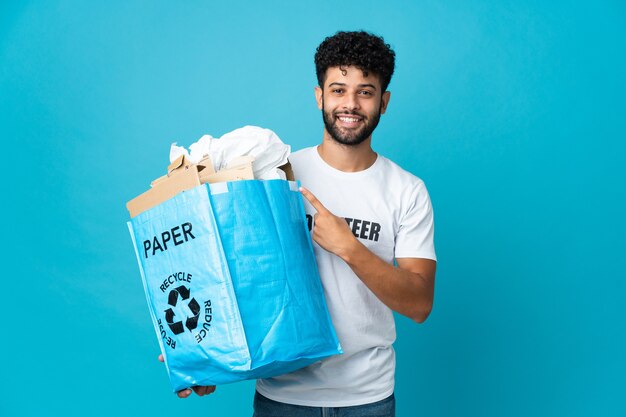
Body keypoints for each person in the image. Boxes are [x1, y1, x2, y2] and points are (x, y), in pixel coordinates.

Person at [165, 30, 437, 417]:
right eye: (339, 89)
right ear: (319, 96)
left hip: (368, 399)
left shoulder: (407, 191)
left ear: (384, 101)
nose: (351, 104)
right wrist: (206, 355)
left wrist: (348, 247)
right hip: (283, 397)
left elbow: (419, 303)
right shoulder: (276, 174)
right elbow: (236, 273)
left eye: (365, 91)